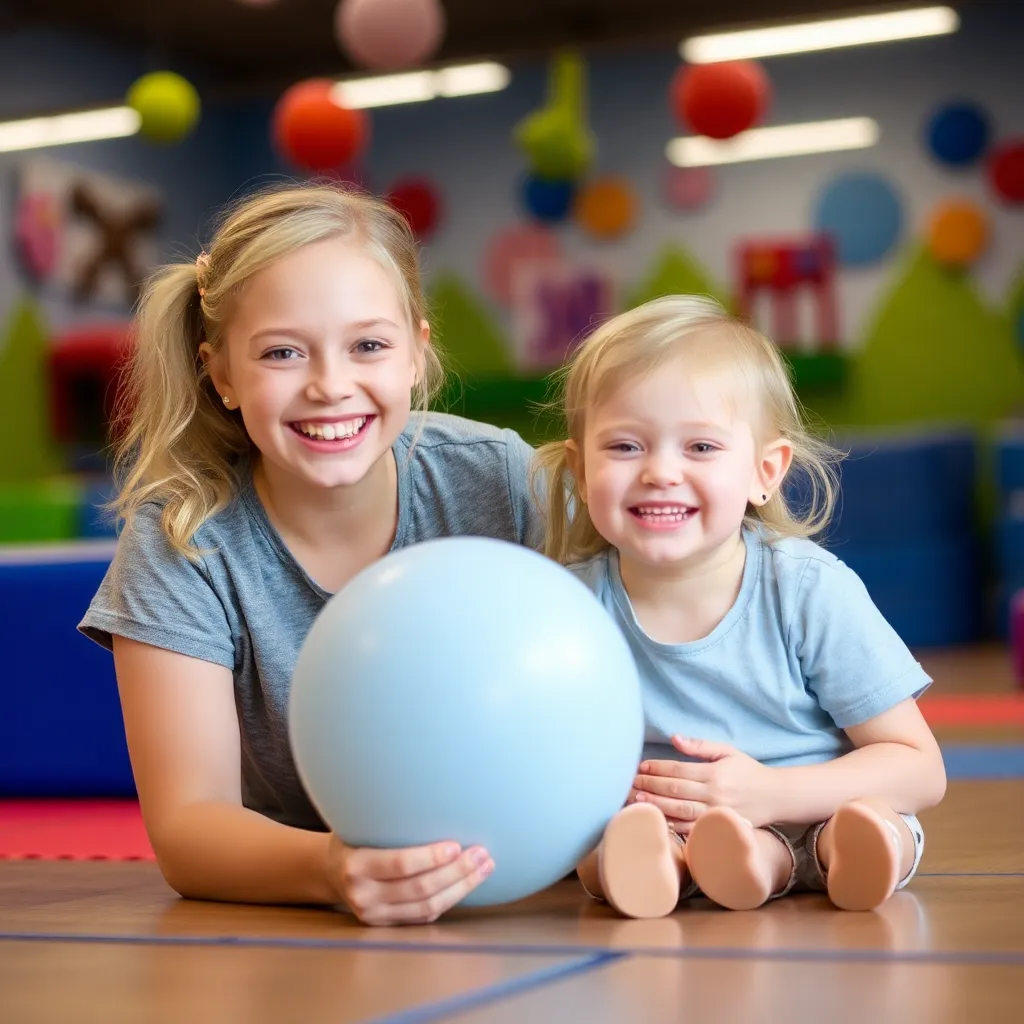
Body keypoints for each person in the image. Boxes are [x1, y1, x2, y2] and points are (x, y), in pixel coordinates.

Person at [79, 182, 543, 926]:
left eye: (368, 346)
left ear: (417, 355)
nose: (331, 386)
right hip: (299, 923)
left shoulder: (502, 481)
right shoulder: (184, 540)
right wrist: (331, 868)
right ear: (221, 373)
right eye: (283, 353)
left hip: (532, 886)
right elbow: (189, 826)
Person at [533, 295, 946, 917]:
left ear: (766, 470)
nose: (660, 472)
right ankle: (730, 866)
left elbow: (920, 770)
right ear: (581, 468)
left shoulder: (805, 588)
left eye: (699, 447)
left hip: (819, 810)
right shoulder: (570, 604)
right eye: (625, 447)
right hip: (673, 830)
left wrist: (772, 793)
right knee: (605, 845)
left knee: (866, 824)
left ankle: (843, 857)